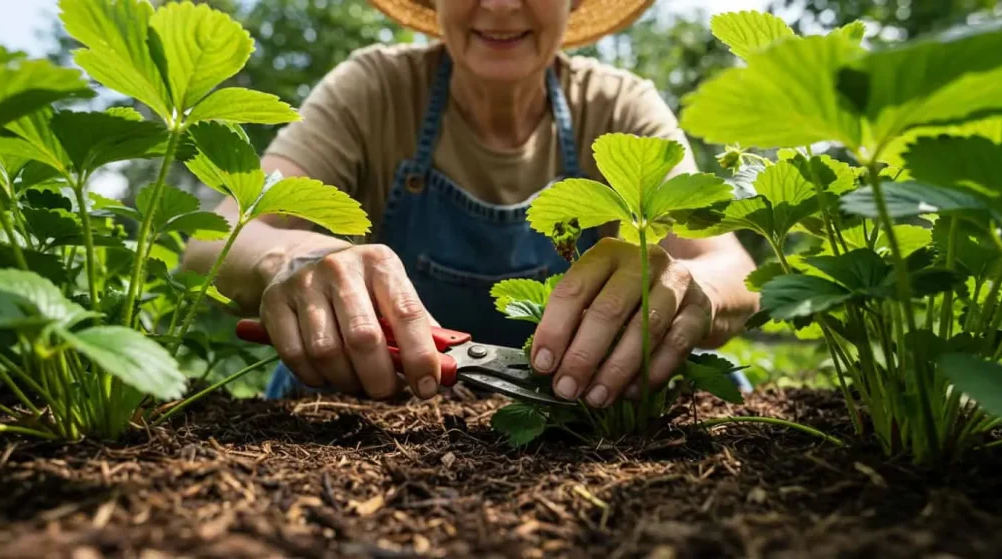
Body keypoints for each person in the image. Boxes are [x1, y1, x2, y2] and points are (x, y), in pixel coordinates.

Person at [181, 0, 759, 409]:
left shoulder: (618, 110)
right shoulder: (373, 91)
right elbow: (215, 236)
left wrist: (686, 291)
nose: (501, 5)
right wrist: (289, 257)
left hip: (581, 406)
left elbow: (734, 270)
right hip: (368, 403)